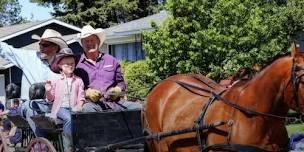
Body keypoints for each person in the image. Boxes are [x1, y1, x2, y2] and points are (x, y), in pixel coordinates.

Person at [75, 25, 142, 112]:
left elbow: (121, 84)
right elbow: (71, 86)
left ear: (98, 41)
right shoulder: (76, 63)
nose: (89, 43)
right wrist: (86, 93)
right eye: (86, 41)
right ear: (82, 43)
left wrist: (117, 90)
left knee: (139, 108)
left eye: (92, 40)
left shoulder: (111, 60)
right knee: (88, 110)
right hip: (92, 104)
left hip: (115, 102)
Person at [0, 29, 68, 100]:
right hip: (30, 106)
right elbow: (6, 50)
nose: (41, 47)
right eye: (40, 44)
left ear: (55, 48)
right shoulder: (29, 57)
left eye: (45, 45)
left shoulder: (63, 66)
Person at [45, 48, 85, 151]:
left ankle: (82, 144)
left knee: (84, 118)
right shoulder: (56, 80)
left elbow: (81, 96)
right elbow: (50, 99)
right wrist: (48, 91)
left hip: (73, 108)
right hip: (60, 108)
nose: (70, 66)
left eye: (72, 63)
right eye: (67, 64)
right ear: (60, 66)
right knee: (69, 118)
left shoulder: (79, 80)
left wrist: (79, 106)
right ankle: (68, 146)